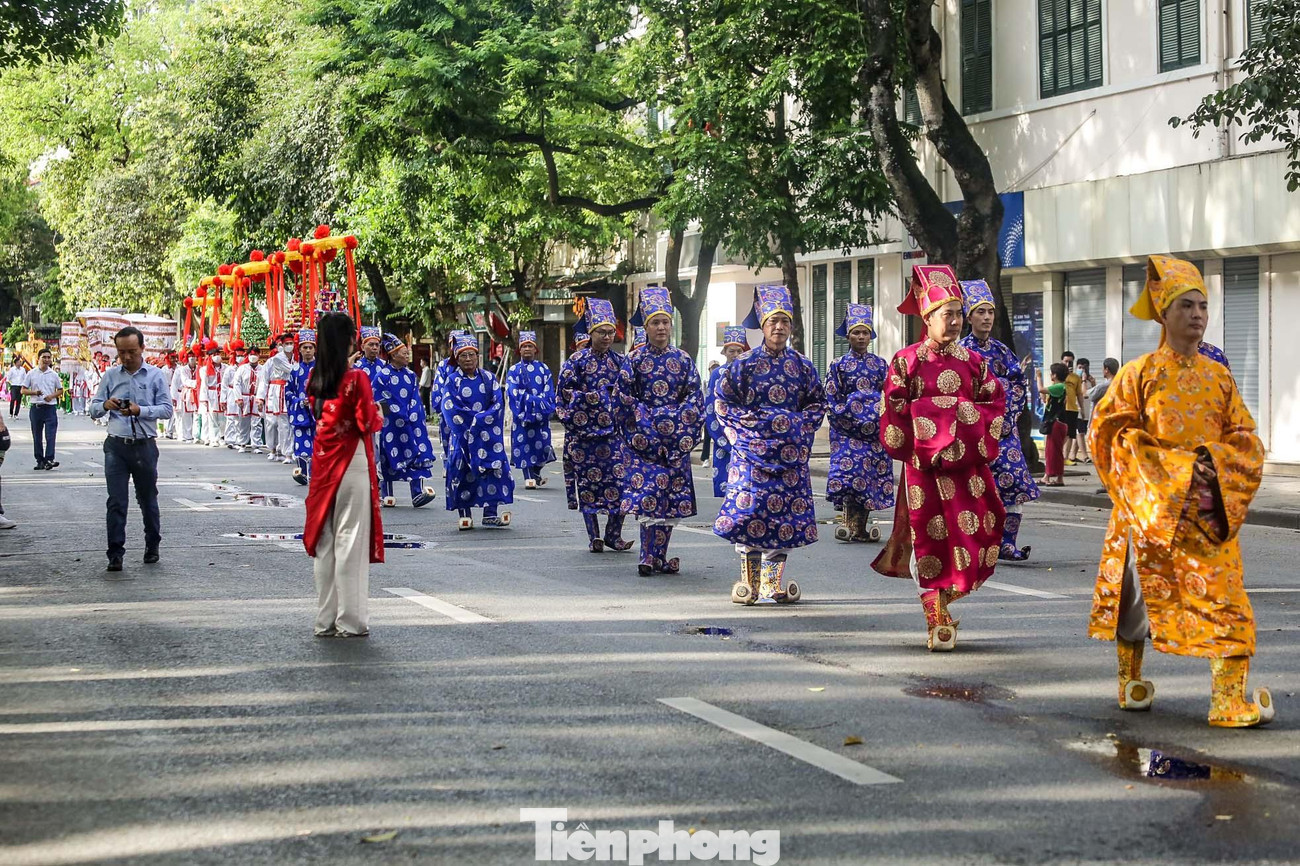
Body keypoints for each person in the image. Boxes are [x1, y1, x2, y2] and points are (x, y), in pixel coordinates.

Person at [1089, 255, 1273, 728]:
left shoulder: (1219, 376)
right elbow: (1109, 434)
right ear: (1163, 314)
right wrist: (1165, 470)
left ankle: (1228, 699)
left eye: (1203, 306)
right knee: (1136, 600)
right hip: (1150, 508)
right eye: (1186, 306)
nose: (1196, 314)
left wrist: (1211, 465)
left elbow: (1246, 438)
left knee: (1228, 601)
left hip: (1208, 506)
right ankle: (1130, 681)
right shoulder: (1138, 373)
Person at [871, 265, 1006, 651]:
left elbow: (994, 405)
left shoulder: (975, 363)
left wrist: (946, 417)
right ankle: (937, 619)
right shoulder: (905, 361)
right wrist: (932, 429)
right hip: (924, 468)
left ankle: (945, 606)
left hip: (966, 468)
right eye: (947, 314)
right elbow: (894, 409)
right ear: (928, 318)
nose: (955, 321)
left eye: (958, 314)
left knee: (972, 534)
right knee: (928, 538)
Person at [715, 285, 824, 605]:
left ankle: (772, 584)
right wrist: (750, 434)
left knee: (785, 520)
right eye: (772, 321)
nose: (778, 327)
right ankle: (749, 583)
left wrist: (797, 430)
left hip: (790, 457)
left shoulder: (803, 366)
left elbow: (816, 405)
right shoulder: (743, 365)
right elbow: (723, 404)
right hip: (751, 455)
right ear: (762, 325)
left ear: (791, 327)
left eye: (784, 321)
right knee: (749, 515)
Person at [303, 312, 384, 638]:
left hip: (322, 465)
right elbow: (367, 422)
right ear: (350, 340)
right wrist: (378, 411)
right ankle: (350, 621)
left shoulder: (316, 380)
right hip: (352, 463)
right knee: (350, 541)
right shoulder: (356, 380)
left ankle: (325, 620)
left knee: (326, 542)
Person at [618, 286, 704, 576]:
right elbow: (624, 398)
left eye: (665, 321)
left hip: (675, 441)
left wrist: (676, 427)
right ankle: (646, 554)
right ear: (646, 326)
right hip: (645, 441)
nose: (661, 327)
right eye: (655, 322)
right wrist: (648, 425)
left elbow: (695, 398)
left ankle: (660, 556)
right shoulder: (634, 360)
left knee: (670, 501)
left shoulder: (683, 360)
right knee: (647, 497)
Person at [959, 280, 1040, 561]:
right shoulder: (959, 353)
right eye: (980, 312)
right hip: (973, 434)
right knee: (976, 489)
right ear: (969, 317)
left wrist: (1007, 414)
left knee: (1014, 483)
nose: (987, 318)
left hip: (1005, 432)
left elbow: (1018, 385)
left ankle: (1008, 543)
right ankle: (980, 543)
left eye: (990, 312)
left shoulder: (1003, 352)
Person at [88, 326, 174, 572]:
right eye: (121, 352)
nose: (126, 357)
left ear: (142, 349)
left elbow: (167, 410)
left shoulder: (156, 375)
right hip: (116, 445)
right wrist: (105, 404)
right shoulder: (111, 376)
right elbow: (93, 408)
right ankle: (115, 553)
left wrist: (140, 410)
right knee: (116, 501)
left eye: (132, 352)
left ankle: (152, 544)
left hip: (144, 446)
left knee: (147, 498)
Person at [557, 299, 630, 551]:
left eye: (611, 332)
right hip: (584, 437)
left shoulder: (621, 363)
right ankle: (594, 537)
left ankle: (613, 534)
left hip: (613, 437)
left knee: (620, 485)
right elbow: (564, 397)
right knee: (588, 487)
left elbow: (628, 396)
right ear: (591, 332)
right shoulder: (575, 362)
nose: (607, 337)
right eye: (602, 332)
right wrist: (594, 398)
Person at [825, 303, 894, 544]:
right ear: (848, 335)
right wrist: (852, 416)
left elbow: (889, 396)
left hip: (874, 431)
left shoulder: (881, 365)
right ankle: (848, 522)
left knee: (868, 476)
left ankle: (860, 526)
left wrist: (877, 417)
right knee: (850, 473)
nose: (861, 337)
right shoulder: (838, 366)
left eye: (865, 332)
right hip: (847, 430)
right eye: (856, 332)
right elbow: (831, 400)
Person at [440, 333, 514, 528]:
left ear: (478, 356)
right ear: (457, 358)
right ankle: (464, 513)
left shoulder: (489, 378)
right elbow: (449, 407)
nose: (468, 359)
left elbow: (498, 403)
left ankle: (491, 512)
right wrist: (471, 425)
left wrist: (482, 421)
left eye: (471, 355)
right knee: (462, 471)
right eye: (463, 355)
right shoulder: (452, 381)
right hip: (463, 435)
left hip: (487, 435)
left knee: (493, 470)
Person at [376, 333, 437, 508]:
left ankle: (417, 492)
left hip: (411, 422)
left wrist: (412, 413)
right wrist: (395, 414)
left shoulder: (410, 375)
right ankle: (387, 493)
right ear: (393, 355)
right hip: (391, 425)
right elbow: (379, 399)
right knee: (388, 455)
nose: (407, 355)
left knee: (415, 453)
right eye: (404, 352)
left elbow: (414, 397)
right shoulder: (382, 375)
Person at [505, 330, 557, 489]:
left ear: (536, 349)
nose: (527, 349)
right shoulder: (514, 370)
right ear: (519, 350)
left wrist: (542, 406)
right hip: (523, 417)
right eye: (524, 346)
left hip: (541, 416)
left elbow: (549, 391)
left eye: (530, 346)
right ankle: (529, 477)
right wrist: (532, 401)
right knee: (524, 445)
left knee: (543, 446)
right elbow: (513, 392)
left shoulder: (543, 368)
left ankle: (536, 473)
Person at [705, 328, 748, 498]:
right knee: (725, 490)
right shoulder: (717, 374)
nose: (735, 354)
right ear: (724, 352)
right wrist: (722, 438)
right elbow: (710, 408)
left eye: (739, 351)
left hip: (746, 438)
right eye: (732, 351)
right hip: (722, 437)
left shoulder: (750, 372)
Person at [258, 332, 296, 464]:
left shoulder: (296, 358)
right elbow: (264, 380)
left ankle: (287, 452)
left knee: (286, 424)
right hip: (275, 392)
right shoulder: (275, 359)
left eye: (291, 343)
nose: (289, 346)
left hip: (289, 390)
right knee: (272, 423)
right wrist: (260, 398)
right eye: (286, 344)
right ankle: (273, 449)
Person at [22, 349, 63, 470]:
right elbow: (23, 390)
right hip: (36, 408)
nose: (46, 360)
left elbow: (60, 390)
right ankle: (39, 460)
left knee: (51, 435)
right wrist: (34, 392)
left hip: (50, 408)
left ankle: (49, 459)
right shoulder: (31, 373)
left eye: (48, 357)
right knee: (37, 435)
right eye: (44, 357)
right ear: (38, 358)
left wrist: (52, 396)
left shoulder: (54, 374)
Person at [286, 330, 317, 485]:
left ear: (315, 349)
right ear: (299, 350)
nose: (308, 350)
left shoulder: (321, 368)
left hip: (318, 411)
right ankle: (303, 472)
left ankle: (315, 473)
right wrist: (299, 401)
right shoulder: (295, 370)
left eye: (310, 347)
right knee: (301, 441)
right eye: (305, 347)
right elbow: (288, 391)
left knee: (317, 442)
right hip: (300, 411)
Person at [1038, 363, 1069, 486]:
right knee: (1053, 451)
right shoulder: (1058, 387)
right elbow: (1044, 397)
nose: (1050, 375)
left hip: (1056, 423)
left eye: (1051, 373)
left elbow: (1041, 389)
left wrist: (1039, 377)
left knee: (1053, 451)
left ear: (1055, 375)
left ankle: (1053, 477)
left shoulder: (1060, 386)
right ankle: (1050, 476)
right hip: (1056, 423)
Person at [233, 346, 261, 452]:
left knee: (256, 422)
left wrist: (261, 399)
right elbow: (237, 384)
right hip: (244, 397)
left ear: (259, 355)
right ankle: (242, 443)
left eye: (255, 354)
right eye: (251, 355)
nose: (253, 357)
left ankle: (256, 444)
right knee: (243, 421)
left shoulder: (262, 369)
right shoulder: (242, 369)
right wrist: (239, 398)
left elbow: (263, 384)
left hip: (256, 397)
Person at [1060, 351, 1086, 465]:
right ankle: (1058, 456)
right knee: (1059, 433)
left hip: (1072, 408)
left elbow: (1079, 394)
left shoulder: (1076, 378)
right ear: (1062, 361)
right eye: (1066, 361)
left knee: (1070, 433)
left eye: (1070, 362)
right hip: (1060, 408)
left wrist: (1082, 409)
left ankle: (1066, 457)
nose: (1068, 364)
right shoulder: (1058, 374)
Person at [172, 349, 200, 443]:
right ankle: (187, 435)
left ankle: (196, 435)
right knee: (186, 415)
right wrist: (174, 397)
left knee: (196, 415)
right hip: (187, 393)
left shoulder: (199, 368)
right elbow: (184, 381)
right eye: (190, 356)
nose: (192, 358)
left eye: (194, 356)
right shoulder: (182, 370)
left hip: (197, 393)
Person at [222, 340, 246, 449]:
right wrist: (223, 399)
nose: (240, 358)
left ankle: (238, 439)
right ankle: (229, 439)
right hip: (231, 393)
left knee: (239, 418)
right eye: (238, 356)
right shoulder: (229, 369)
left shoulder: (245, 369)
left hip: (241, 393)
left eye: (242, 355)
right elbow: (224, 385)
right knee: (230, 417)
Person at [1075, 357, 1095, 463]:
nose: (1082, 370)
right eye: (1080, 367)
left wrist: (1092, 382)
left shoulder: (1089, 379)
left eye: (1084, 368)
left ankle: (1072, 455)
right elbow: (1083, 394)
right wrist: (1082, 380)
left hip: (1087, 411)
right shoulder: (1075, 379)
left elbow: (1094, 393)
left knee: (1081, 433)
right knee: (1080, 433)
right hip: (1077, 410)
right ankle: (1084, 455)